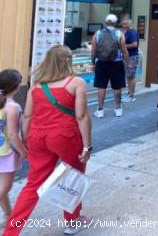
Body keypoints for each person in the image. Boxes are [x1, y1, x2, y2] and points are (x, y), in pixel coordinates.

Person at [4, 45, 92, 236]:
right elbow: (82, 116)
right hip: (66, 137)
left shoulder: (36, 85)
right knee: (72, 177)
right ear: (68, 61)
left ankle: (11, 232)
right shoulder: (76, 82)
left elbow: (27, 117)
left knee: (33, 185)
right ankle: (72, 222)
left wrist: (26, 141)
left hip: (38, 137)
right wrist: (87, 145)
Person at [0, 70, 26, 227]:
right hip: (7, 152)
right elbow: (13, 134)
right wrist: (23, 152)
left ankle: (9, 215)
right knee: (4, 187)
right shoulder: (13, 106)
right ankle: (9, 216)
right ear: (16, 87)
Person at [91, 14, 130, 118]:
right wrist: (128, 63)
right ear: (115, 23)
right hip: (116, 63)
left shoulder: (98, 33)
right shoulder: (119, 34)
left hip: (101, 63)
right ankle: (118, 109)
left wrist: (93, 63)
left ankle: (100, 110)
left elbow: (93, 50)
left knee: (101, 87)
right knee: (117, 87)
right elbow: (124, 50)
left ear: (105, 22)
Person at [120, 17, 139, 103]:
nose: (123, 25)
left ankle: (132, 96)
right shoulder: (127, 32)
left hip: (132, 57)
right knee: (129, 76)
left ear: (129, 23)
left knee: (131, 77)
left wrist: (122, 46)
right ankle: (129, 93)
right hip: (128, 57)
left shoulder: (133, 32)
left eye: (124, 24)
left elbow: (134, 44)